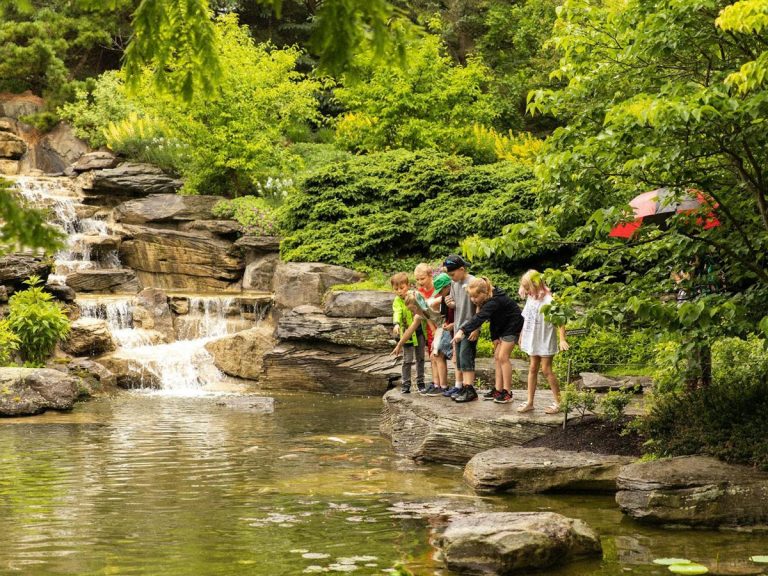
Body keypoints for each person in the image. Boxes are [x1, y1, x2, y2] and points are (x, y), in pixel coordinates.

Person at [453, 277, 523, 404]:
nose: (473, 300)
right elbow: (494, 320)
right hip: (502, 327)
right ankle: (498, 389)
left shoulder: (494, 301)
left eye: (475, 297)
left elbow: (480, 318)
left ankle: (507, 392)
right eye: (471, 297)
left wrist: (462, 330)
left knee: (503, 357)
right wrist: (494, 337)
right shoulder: (488, 298)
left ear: (484, 293)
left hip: (512, 326)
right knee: (497, 357)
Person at [516, 270, 569, 414]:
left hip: (544, 339)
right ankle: (530, 402)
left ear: (536, 284)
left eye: (528, 288)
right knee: (533, 368)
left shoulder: (549, 300)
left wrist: (562, 339)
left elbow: (560, 321)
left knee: (546, 370)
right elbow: (525, 318)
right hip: (532, 338)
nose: (526, 291)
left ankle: (559, 402)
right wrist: (521, 335)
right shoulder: (531, 298)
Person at [442, 254, 479, 403]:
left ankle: (470, 389)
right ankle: (464, 386)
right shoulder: (454, 283)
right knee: (460, 359)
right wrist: (450, 303)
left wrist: (476, 328)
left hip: (470, 327)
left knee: (466, 357)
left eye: (452, 274)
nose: (451, 278)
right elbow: (455, 304)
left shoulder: (473, 282)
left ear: (462, 269)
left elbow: (479, 307)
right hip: (458, 328)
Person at [390, 272, 427, 393]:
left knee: (420, 358)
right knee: (407, 360)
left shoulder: (414, 295)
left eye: (402, 288)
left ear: (408, 285)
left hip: (419, 331)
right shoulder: (397, 301)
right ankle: (406, 384)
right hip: (407, 335)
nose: (399, 291)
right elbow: (397, 312)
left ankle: (421, 382)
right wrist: (396, 324)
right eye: (396, 289)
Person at [424, 272, 453, 396]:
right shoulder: (443, 297)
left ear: (448, 287)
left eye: (441, 291)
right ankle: (437, 384)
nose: (440, 293)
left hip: (450, 328)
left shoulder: (451, 296)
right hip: (445, 326)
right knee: (433, 356)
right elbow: (431, 303)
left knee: (438, 355)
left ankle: (443, 386)